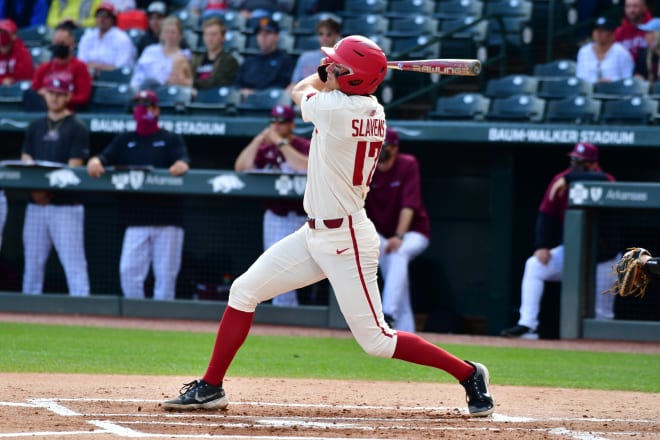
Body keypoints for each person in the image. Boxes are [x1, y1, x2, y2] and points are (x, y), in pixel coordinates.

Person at [161, 35, 494, 418]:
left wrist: (321, 77)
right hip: (314, 234)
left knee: (377, 342)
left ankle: (469, 374)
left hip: (346, 239)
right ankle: (211, 386)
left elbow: (297, 89)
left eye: (337, 66)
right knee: (244, 290)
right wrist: (337, 71)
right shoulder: (372, 108)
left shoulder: (336, 109)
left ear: (354, 79)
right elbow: (325, 86)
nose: (330, 68)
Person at [500, 142, 620, 339]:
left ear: (592, 163)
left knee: (602, 319)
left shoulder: (603, 179)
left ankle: (604, 348)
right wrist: (541, 245)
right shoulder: (560, 180)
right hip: (572, 253)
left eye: (581, 162)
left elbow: (605, 180)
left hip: (604, 259)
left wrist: (569, 178)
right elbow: (545, 215)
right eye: (573, 160)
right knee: (534, 265)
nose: (575, 164)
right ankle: (527, 325)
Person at [87, 89, 190, 301]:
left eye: (147, 105)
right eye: (138, 106)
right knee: (128, 271)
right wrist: (95, 161)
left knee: (166, 275)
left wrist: (181, 164)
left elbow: (183, 160)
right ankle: (136, 316)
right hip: (136, 218)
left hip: (167, 218)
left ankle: (162, 320)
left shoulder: (170, 138)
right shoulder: (125, 139)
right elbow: (103, 157)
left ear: (157, 109)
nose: (142, 110)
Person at [21, 73, 90, 297]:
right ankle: (28, 311)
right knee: (32, 262)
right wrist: (36, 189)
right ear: (44, 93)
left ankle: (83, 311)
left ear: (68, 96)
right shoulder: (36, 126)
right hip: (36, 205)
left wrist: (46, 191)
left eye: (60, 94)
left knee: (73, 262)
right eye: (51, 93)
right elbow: (26, 157)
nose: (55, 98)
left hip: (65, 206)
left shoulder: (77, 127)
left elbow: (74, 166)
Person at [234, 103, 309, 306]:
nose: (276, 126)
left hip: (301, 217)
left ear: (291, 125)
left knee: (293, 267)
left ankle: (290, 310)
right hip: (275, 215)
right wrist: (258, 139)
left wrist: (281, 143)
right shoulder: (265, 148)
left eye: (281, 122)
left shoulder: (302, 144)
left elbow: (304, 165)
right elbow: (241, 167)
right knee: (275, 266)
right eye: (273, 121)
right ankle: (284, 310)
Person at [364, 128, 431, 333]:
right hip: (382, 236)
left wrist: (400, 236)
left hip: (413, 233)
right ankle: (405, 333)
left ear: (395, 148)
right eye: (378, 146)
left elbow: (409, 205)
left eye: (386, 146)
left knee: (399, 254)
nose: (381, 150)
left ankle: (388, 313)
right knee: (398, 279)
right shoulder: (367, 166)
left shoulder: (407, 164)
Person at [27, 23, 93, 111]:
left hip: (69, 111)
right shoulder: (44, 67)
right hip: (45, 109)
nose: (59, 46)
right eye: (57, 43)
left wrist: (62, 97)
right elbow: (34, 90)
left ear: (72, 45)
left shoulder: (80, 67)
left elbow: (83, 96)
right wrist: (47, 95)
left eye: (63, 43)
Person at [233, 16, 294, 99]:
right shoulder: (249, 61)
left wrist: (257, 94)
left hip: (269, 102)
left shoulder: (285, 61)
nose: (263, 36)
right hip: (245, 102)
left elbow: (282, 86)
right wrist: (242, 91)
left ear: (277, 36)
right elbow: (236, 84)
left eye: (268, 33)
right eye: (260, 33)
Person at [130, 15, 192, 91]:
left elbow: (187, 81)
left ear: (180, 35)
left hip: (166, 93)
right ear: (161, 34)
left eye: (173, 32)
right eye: (166, 32)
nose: (169, 36)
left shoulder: (184, 55)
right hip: (142, 91)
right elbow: (138, 73)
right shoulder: (150, 50)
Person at [77, 3, 136, 75]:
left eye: (106, 16)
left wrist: (97, 67)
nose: (102, 19)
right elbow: (81, 63)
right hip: (88, 77)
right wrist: (105, 67)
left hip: (113, 79)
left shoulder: (122, 39)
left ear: (113, 19)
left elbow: (122, 67)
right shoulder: (88, 37)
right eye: (99, 15)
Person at [576, 16, 635, 84]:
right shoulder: (584, 52)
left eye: (603, 30)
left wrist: (612, 83)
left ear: (611, 34)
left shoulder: (622, 52)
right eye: (596, 30)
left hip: (614, 92)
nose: (598, 33)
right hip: (588, 92)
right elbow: (580, 77)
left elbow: (628, 79)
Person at [190, 16, 239, 94]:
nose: (210, 38)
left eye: (214, 34)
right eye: (207, 34)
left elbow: (216, 83)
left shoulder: (229, 61)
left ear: (223, 37)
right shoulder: (196, 59)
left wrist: (191, 83)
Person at [289, 16, 341, 86]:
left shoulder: (341, 61)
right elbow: (294, 84)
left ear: (337, 35)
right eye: (321, 34)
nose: (324, 38)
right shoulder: (305, 57)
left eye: (329, 34)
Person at [0, 18, 34, 85]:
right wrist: (2, 81)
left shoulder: (22, 52)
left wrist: (11, 81)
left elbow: (26, 78)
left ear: (15, 35)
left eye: (6, 34)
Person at [634, 18, 660, 83]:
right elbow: (637, 74)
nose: (646, 36)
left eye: (650, 32)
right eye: (646, 33)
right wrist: (638, 79)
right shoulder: (643, 54)